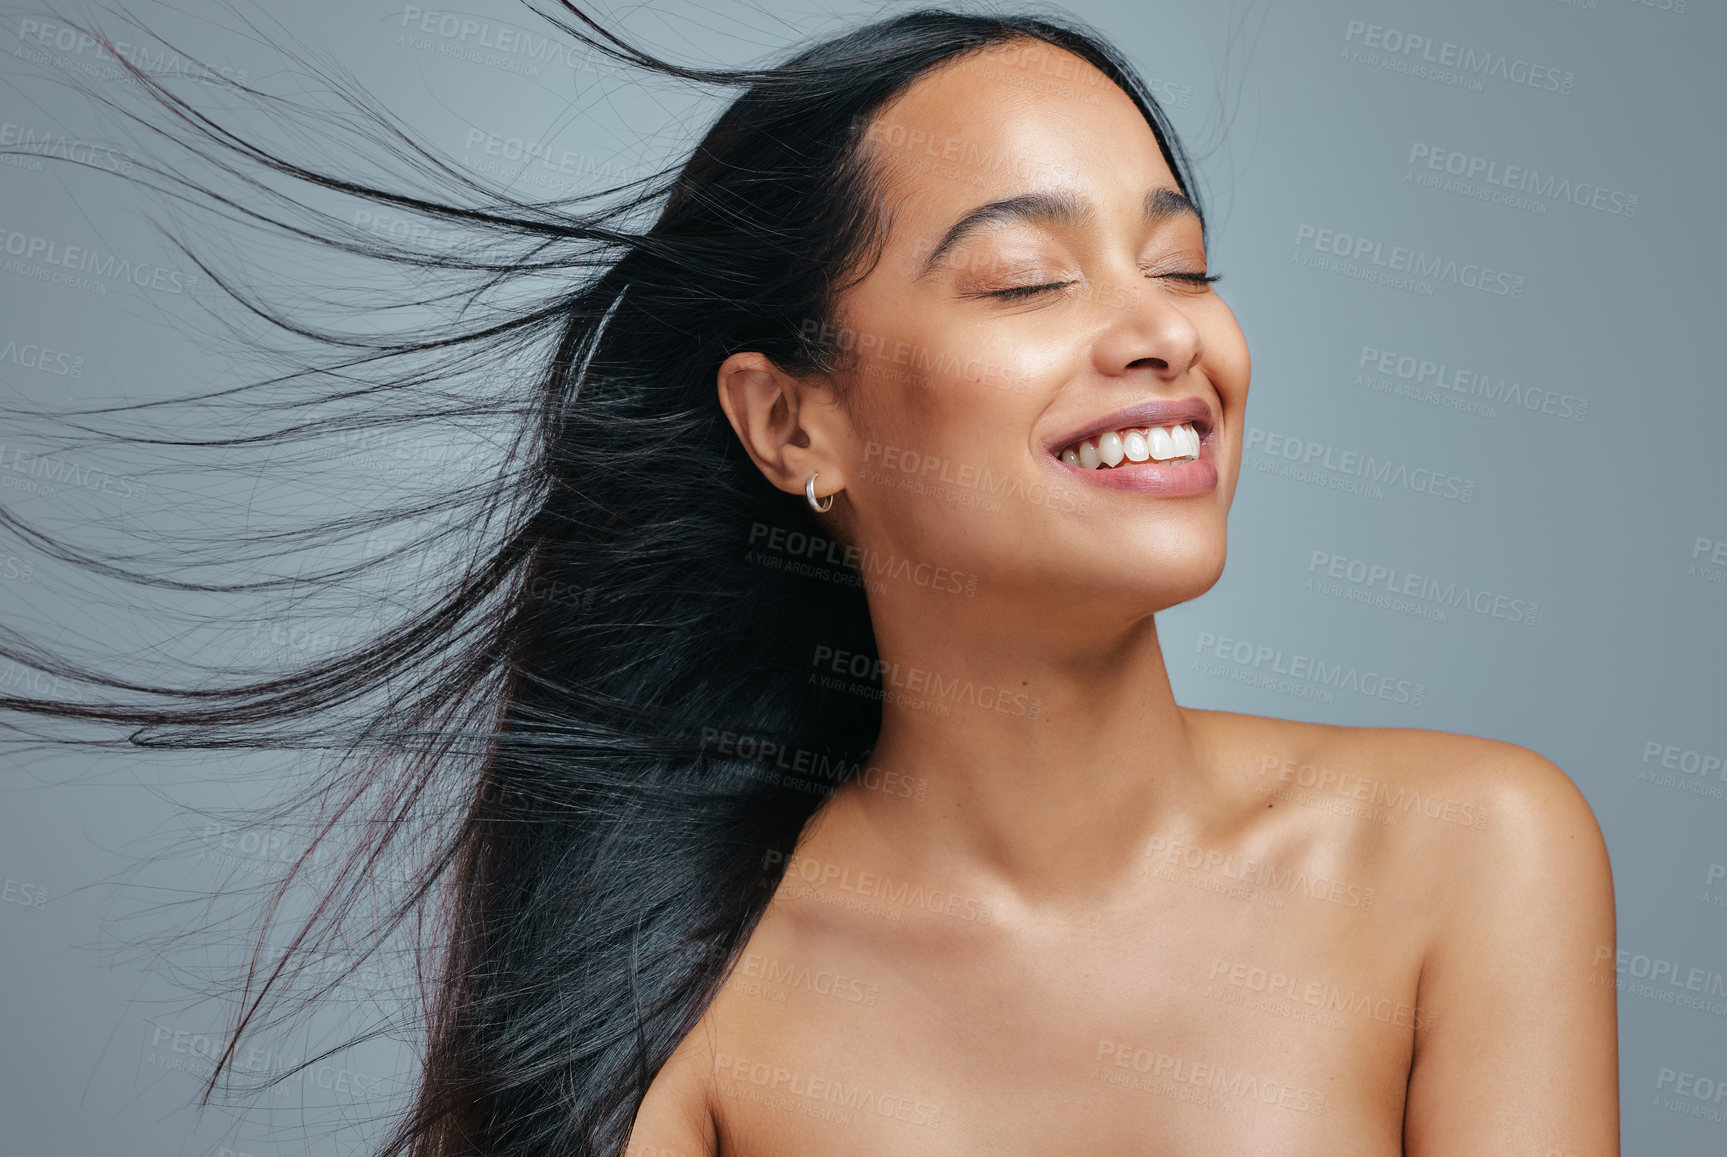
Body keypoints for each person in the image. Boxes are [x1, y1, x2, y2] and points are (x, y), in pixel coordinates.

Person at [0, 6, 1617, 1156]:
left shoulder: (1470, 852)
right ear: (794, 424)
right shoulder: (679, 1005)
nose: (1165, 335)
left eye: (1182, 263)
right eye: (1028, 278)